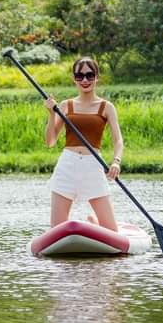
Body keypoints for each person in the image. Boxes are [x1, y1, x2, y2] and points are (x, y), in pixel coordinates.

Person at [43, 57, 125, 232]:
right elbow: (50, 142)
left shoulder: (106, 107)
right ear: (74, 79)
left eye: (89, 75)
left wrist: (116, 161)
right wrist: (51, 114)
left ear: (97, 77)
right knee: (57, 230)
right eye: (79, 76)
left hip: (93, 166)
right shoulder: (65, 105)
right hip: (67, 166)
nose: (85, 80)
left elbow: (118, 140)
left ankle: (93, 222)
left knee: (112, 232)